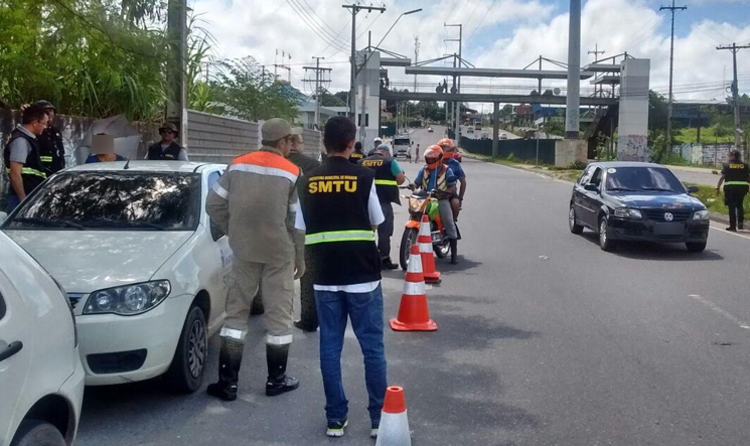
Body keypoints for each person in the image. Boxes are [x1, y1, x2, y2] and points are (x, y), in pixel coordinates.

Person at [299, 116, 387, 439]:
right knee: (372, 349)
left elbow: (300, 226)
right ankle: (379, 419)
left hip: (324, 278)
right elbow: (376, 221)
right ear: (351, 143)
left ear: (324, 143)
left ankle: (336, 418)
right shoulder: (364, 177)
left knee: (329, 348)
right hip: (363, 276)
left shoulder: (307, 181)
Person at [205, 118, 304, 401]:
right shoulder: (291, 172)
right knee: (279, 316)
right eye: (290, 141)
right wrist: (300, 256)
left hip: (244, 250)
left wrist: (233, 230)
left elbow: (214, 204)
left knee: (236, 314)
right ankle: (276, 380)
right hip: (278, 253)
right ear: (283, 141)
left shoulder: (237, 165)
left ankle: (227, 384)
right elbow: (296, 221)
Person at [287, 128, 322, 332]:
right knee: (307, 274)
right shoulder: (313, 166)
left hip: (278, 226)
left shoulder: (279, 164)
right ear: (297, 143)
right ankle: (309, 319)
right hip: (307, 226)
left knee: (274, 273)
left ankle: (271, 313)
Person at [359, 143, 406, 270]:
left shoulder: (361, 162)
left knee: (365, 232)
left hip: (364, 203)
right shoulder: (390, 161)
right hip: (383, 201)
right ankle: (384, 259)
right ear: (385, 152)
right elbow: (401, 179)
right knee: (384, 232)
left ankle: (365, 259)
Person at [412, 145, 459, 264]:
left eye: (432, 159)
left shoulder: (447, 170)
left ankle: (454, 254)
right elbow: (416, 183)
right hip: (424, 198)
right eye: (428, 159)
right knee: (414, 214)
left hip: (440, 199)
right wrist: (412, 186)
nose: (430, 161)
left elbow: (452, 186)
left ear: (440, 158)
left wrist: (447, 192)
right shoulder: (423, 170)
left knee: (449, 222)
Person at [3, 104, 49, 212]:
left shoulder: (29, 139)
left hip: (30, 194)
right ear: (34, 122)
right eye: (44, 124)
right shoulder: (21, 141)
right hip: (22, 198)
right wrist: (23, 201)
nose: (46, 127)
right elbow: (15, 173)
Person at [716, 149, 750, 231]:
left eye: (730, 155)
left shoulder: (727, 165)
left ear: (733, 156)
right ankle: (741, 224)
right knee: (739, 205)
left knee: (731, 207)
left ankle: (733, 226)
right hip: (742, 188)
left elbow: (722, 177)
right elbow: (749, 177)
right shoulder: (745, 165)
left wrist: (717, 188)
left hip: (730, 188)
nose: (729, 157)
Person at [31, 101, 66, 174]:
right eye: (47, 111)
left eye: (51, 111)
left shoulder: (55, 131)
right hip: (41, 172)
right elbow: (97, 153)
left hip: (56, 171)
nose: (50, 114)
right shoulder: (36, 130)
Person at [438, 138, 467, 222]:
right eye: (442, 148)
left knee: (455, 204)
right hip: (433, 192)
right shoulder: (434, 161)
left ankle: (452, 222)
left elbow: (463, 182)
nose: (444, 150)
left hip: (449, 192)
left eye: (447, 148)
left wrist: (460, 198)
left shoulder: (455, 164)